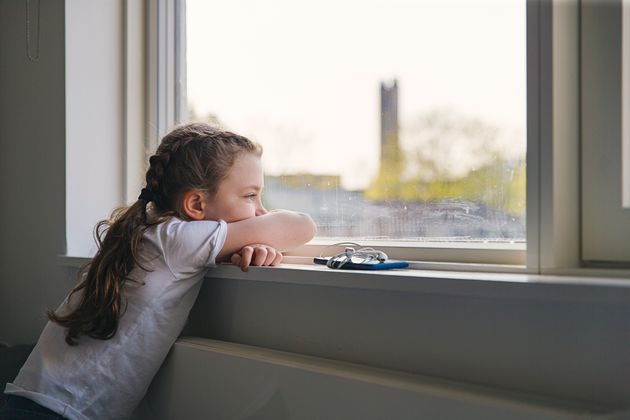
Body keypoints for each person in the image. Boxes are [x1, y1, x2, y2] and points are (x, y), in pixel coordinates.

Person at [0, 123, 316, 419]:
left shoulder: (149, 233)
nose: (259, 211)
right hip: (60, 412)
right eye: (250, 196)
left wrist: (248, 244)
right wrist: (259, 233)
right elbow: (302, 227)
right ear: (195, 205)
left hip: (35, 401)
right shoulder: (175, 239)